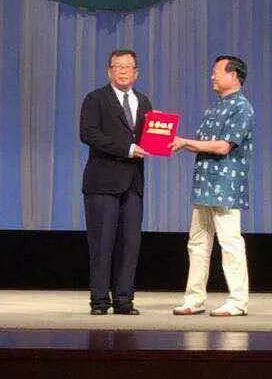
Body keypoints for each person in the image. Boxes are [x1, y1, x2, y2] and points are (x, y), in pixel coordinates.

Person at [169, 56, 255, 317]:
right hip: (204, 184)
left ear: (233, 75)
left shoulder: (242, 107)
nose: (212, 76)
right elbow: (205, 144)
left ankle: (238, 301)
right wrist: (178, 142)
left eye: (216, 72)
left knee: (230, 243)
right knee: (197, 243)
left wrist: (185, 142)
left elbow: (223, 147)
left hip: (225, 186)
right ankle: (194, 299)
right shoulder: (215, 108)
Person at [79, 49, 152, 315]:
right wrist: (127, 149)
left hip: (133, 184)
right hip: (102, 184)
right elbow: (88, 134)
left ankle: (124, 300)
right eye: (117, 66)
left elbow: (149, 137)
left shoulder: (143, 101)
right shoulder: (95, 99)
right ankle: (99, 301)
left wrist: (160, 140)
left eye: (128, 66)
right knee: (102, 244)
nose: (122, 71)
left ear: (136, 73)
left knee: (130, 245)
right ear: (109, 71)